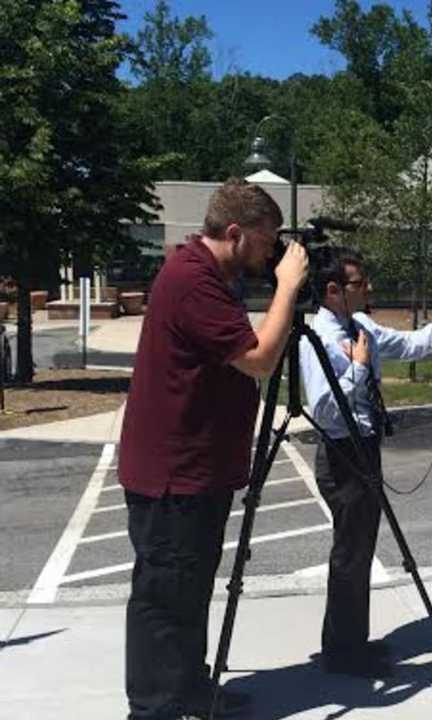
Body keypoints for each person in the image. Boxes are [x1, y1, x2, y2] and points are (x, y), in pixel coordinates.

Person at [118, 179, 308, 720]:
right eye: (267, 240)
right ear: (234, 232)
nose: (272, 253)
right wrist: (287, 288)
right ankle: (152, 708)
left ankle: (189, 689)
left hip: (198, 467)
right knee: (163, 598)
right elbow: (260, 359)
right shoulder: (192, 280)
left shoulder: (212, 276)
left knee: (190, 589)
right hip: (172, 474)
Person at [299, 246, 432, 678]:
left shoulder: (359, 324)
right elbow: (324, 411)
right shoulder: (319, 339)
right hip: (342, 454)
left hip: (366, 447)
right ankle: (342, 653)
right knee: (350, 552)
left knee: (360, 549)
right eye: (360, 283)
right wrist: (360, 369)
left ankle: (351, 643)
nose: (369, 288)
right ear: (332, 290)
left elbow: (410, 344)